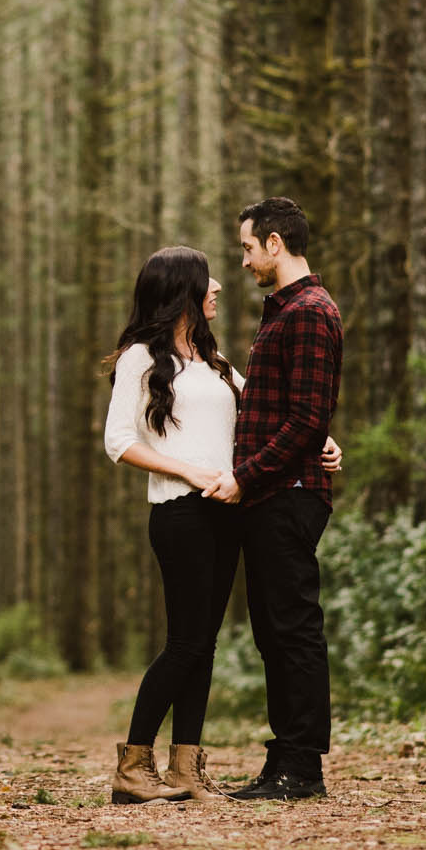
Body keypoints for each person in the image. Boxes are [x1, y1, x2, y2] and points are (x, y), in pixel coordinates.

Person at [101, 245, 342, 806]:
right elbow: (119, 442)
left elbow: (271, 410)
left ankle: (186, 768)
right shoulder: (141, 357)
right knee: (184, 643)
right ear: (181, 290)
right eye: (206, 281)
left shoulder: (215, 361)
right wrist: (186, 469)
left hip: (227, 512)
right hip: (180, 512)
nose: (217, 289)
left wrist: (322, 442)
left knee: (203, 646)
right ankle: (134, 765)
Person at [203, 196, 343, 801]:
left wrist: (246, 476)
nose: (243, 260)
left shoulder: (310, 310)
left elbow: (308, 418)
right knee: (274, 630)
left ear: (276, 243)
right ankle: (283, 760)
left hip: (286, 493)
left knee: (292, 629)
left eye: (247, 247)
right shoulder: (283, 311)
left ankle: (302, 768)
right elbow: (291, 408)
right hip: (273, 492)